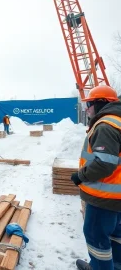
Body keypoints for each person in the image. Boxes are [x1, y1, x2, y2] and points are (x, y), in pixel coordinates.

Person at [70, 85, 121, 270]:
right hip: (116, 196)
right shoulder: (118, 121)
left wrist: (80, 176)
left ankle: (99, 267)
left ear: (100, 103)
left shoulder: (106, 126)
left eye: (89, 104)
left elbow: (104, 164)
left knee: (96, 238)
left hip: (104, 197)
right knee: (116, 236)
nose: (87, 108)